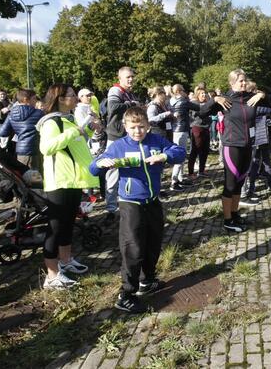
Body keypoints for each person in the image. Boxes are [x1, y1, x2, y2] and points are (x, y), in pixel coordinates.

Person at [90, 106, 185, 313]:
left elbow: (179, 152)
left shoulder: (156, 141)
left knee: (153, 242)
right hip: (130, 203)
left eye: (141, 127)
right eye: (133, 127)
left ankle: (147, 280)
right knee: (133, 248)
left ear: (148, 126)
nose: (137, 131)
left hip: (152, 201)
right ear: (125, 127)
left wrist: (164, 157)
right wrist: (102, 163)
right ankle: (126, 294)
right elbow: (93, 167)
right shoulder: (119, 146)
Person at [37, 84, 100, 289]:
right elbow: (47, 148)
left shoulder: (68, 119)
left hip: (74, 180)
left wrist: (90, 128)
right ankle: (52, 275)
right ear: (60, 99)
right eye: (72, 96)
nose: (76, 98)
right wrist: (75, 132)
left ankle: (66, 261)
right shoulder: (51, 122)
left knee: (67, 224)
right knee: (55, 228)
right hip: (59, 181)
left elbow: (79, 141)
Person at [200, 69, 271, 233]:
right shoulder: (225, 100)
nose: (243, 83)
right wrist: (214, 99)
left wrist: (262, 95)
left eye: (244, 80)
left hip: (248, 146)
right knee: (230, 184)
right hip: (231, 146)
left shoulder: (251, 98)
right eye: (240, 81)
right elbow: (203, 112)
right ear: (232, 83)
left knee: (240, 182)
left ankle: (235, 214)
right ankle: (227, 220)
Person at [104, 67, 140, 220]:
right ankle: (111, 209)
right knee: (113, 173)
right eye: (128, 77)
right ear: (120, 78)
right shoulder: (115, 90)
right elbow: (112, 107)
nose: (131, 79)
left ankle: (130, 202)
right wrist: (131, 104)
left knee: (131, 168)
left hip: (128, 137)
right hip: (116, 137)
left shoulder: (129, 93)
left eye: (132, 76)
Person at [0, 89, 44, 172]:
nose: (36, 101)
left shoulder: (11, 114)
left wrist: (17, 129)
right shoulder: (39, 113)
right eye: (34, 99)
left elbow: (3, 132)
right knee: (37, 179)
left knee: (25, 178)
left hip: (20, 151)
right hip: (35, 149)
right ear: (26, 99)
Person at [168, 84, 201, 191]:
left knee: (181, 155)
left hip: (175, 129)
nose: (185, 92)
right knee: (180, 156)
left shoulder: (171, 101)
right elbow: (198, 107)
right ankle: (174, 183)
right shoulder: (183, 101)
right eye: (183, 90)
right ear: (178, 91)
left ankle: (180, 178)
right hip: (181, 130)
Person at [187, 87, 212, 179]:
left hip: (206, 128)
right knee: (195, 150)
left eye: (205, 93)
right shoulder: (194, 104)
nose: (204, 95)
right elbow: (192, 115)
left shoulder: (207, 104)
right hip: (197, 128)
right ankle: (190, 172)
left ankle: (201, 170)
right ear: (197, 95)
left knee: (205, 150)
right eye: (201, 93)